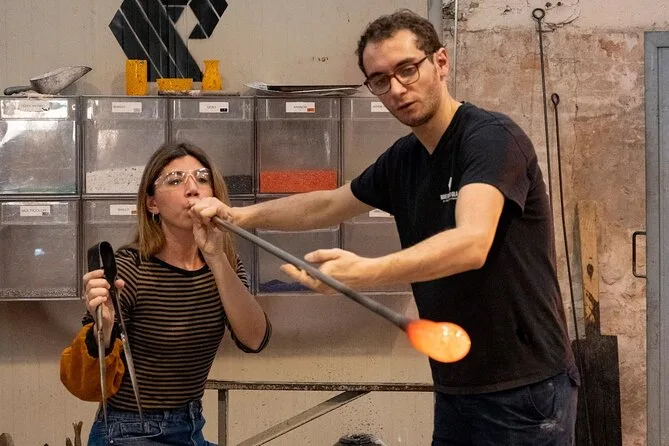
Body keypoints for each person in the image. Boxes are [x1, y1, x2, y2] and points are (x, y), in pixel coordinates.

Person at [206, 8, 580, 446]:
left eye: (407, 69)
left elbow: (472, 243)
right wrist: (238, 216)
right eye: (380, 80)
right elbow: (328, 204)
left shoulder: (490, 138)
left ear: (440, 62)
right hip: (457, 384)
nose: (397, 89)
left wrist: (364, 272)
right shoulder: (404, 159)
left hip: (524, 387)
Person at [60, 142, 272, 445]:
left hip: (191, 425)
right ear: (152, 204)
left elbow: (254, 339)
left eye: (202, 178)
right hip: (129, 429)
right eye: (175, 181)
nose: (192, 189)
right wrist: (102, 328)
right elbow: (87, 383)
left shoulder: (224, 264)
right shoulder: (130, 267)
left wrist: (216, 257)